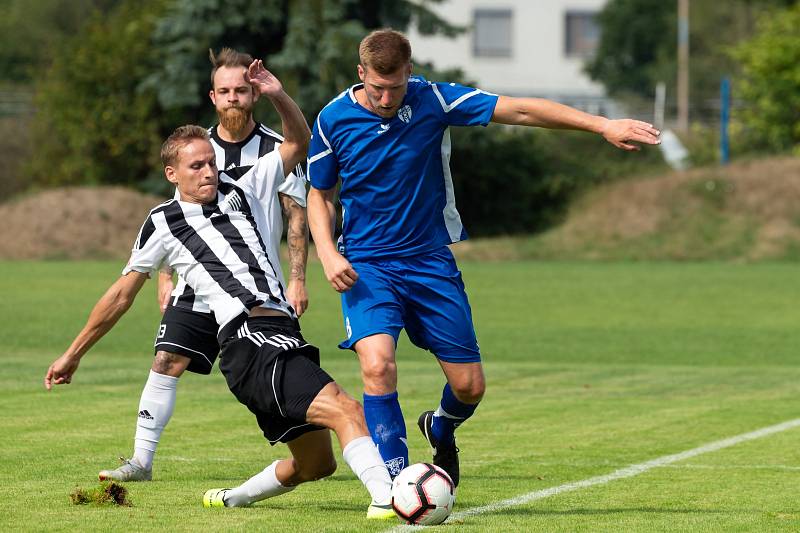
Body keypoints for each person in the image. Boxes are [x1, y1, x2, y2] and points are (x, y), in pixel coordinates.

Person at [306, 29, 661, 486]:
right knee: (377, 365)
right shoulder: (333, 119)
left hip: (429, 261)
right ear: (361, 74)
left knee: (469, 387)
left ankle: (440, 426)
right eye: (377, 87)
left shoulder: (433, 100)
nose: (387, 97)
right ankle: (393, 484)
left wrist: (603, 126)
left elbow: (520, 108)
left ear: (409, 73)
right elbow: (320, 194)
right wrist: (328, 253)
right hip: (367, 265)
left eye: (395, 87)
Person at [44, 63, 395, 520]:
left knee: (317, 464)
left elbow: (296, 143)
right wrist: (73, 353)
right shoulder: (162, 222)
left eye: (211, 161)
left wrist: (278, 95)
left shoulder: (244, 187)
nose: (209, 171)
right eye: (197, 166)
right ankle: (391, 498)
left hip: (278, 331)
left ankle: (229, 499)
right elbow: (120, 295)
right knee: (348, 409)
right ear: (172, 173)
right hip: (250, 338)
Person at [97, 48, 310, 483]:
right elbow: (175, 222)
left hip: (255, 286)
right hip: (195, 285)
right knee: (166, 360)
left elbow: (296, 212)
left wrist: (297, 278)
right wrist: (165, 275)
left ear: (254, 94)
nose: (234, 98)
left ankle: (310, 447)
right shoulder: (197, 147)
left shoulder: (273, 148)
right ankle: (140, 461)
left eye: (242, 90)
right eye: (226, 91)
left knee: (272, 375)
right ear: (213, 97)